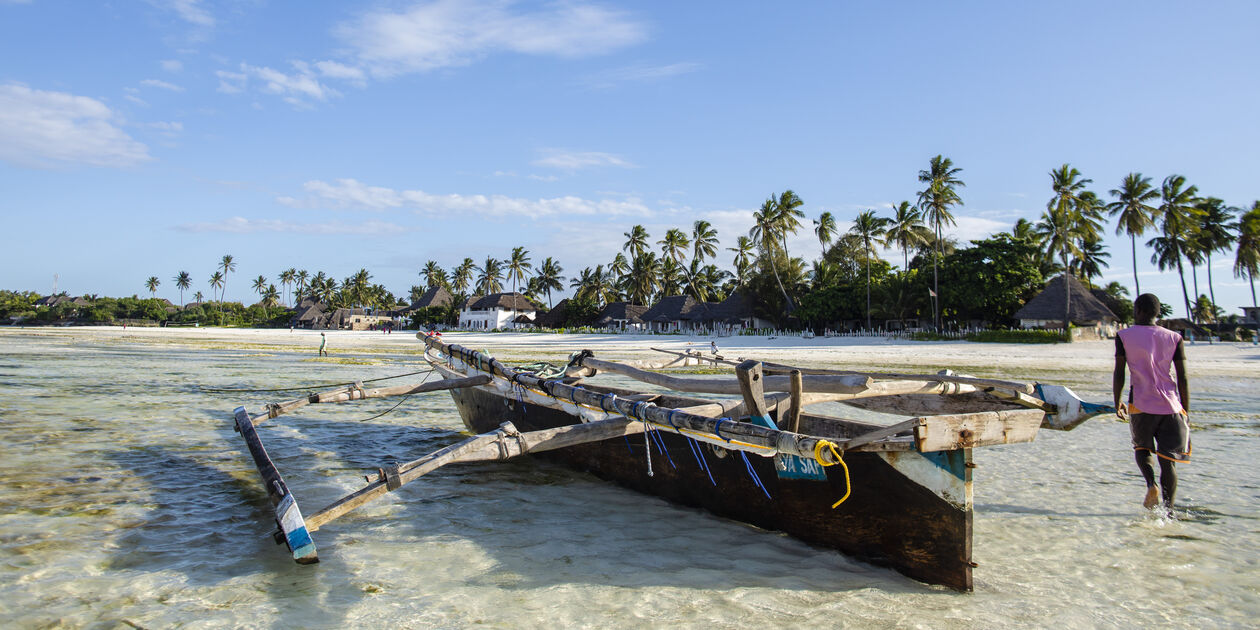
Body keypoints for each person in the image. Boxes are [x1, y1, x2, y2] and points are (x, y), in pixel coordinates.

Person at [1113, 293, 1190, 510]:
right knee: (1168, 462)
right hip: (1171, 406)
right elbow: (1182, 377)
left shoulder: (1124, 335)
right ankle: (1169, 511)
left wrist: (1116, 400)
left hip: (1141, 403)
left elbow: (1119, 372)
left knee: (1142, 448)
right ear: (1157, 313)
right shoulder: (1175, 338)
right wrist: (1185, 409)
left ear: (1137, 310)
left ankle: (1151, 484)